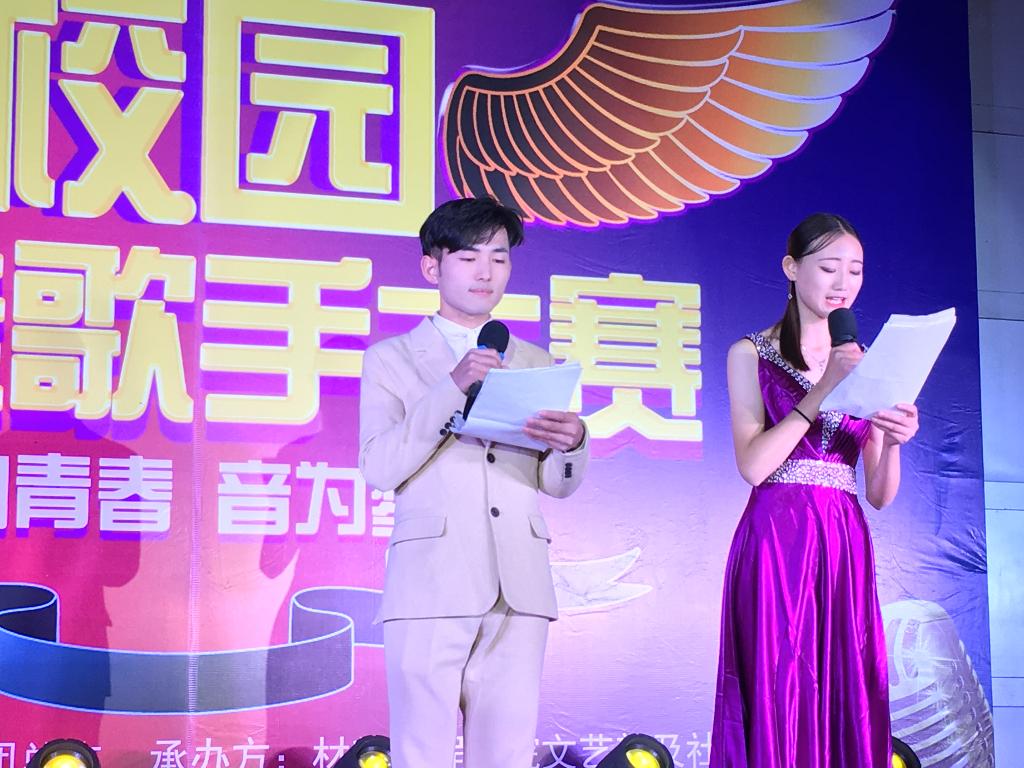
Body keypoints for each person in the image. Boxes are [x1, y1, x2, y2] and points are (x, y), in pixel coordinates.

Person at [358, 196, 589, 767]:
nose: (486, 272)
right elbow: (380, 466)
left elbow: (557, 484)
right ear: (432, 267)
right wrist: (452, 387)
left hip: (519, 586)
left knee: (506, 755)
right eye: (468, 257)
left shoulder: (537, 362)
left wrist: (572, 443)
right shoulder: (390, 358)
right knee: (422, 753)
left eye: (499, 258)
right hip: (430, 582)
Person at [710, 213, 920, 767]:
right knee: (779, 682)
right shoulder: (750, 353)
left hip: (843, 540)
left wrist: (894, 440)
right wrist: (823, 389)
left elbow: (879, 494)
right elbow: (754, 465)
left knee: (847, 687)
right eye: (829, 267)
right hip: (778, 539)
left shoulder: (870, 364)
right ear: (791, 268)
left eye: (855, 270)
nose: (842, 282)